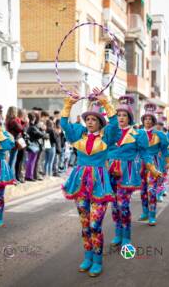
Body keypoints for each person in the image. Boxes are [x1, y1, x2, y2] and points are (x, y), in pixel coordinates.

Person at [61, 88, 121, 277]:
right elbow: (64, 124)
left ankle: (97, 260)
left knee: (95, 225)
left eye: (94, 119)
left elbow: (115, 126)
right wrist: (69, 105)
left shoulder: (107, 137)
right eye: (87, 119)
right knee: (85, 225)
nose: (90, 122)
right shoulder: (78, 135)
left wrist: (106, 103)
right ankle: (87, 257)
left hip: (99, 185)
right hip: (79, 183)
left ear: (99, 122)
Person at [108, 96, 161, 247]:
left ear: (129, 118)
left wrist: (152, 168)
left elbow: (145, 153)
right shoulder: (111, 132)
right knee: (114, 205)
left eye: (124, 115)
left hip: (127, 173)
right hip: (110, 171)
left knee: (123, 205)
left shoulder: (138, 134)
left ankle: (126, 236)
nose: (121, 118)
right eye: (118, 115)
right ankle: (118, 233)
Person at [139, 103, 169, 225]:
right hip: (140, 163)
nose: (147, 121)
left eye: (150, 119)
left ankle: (152, 215)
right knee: (142, 189)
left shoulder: (160, 135)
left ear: (153, 122)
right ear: (142, 121)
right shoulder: (137, 133)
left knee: (152, 190)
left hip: (154, 163)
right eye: (145, 119)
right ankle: (144, 212)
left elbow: (164, 150)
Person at [6, 106, 24, 179]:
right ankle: (11, 178)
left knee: (11, 160)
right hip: (14, 141)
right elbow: (21, 129)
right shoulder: (14, 121)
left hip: (11, 141)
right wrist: (21, 121)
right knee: (12, 160)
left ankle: (10, 177)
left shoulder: (8, 120)